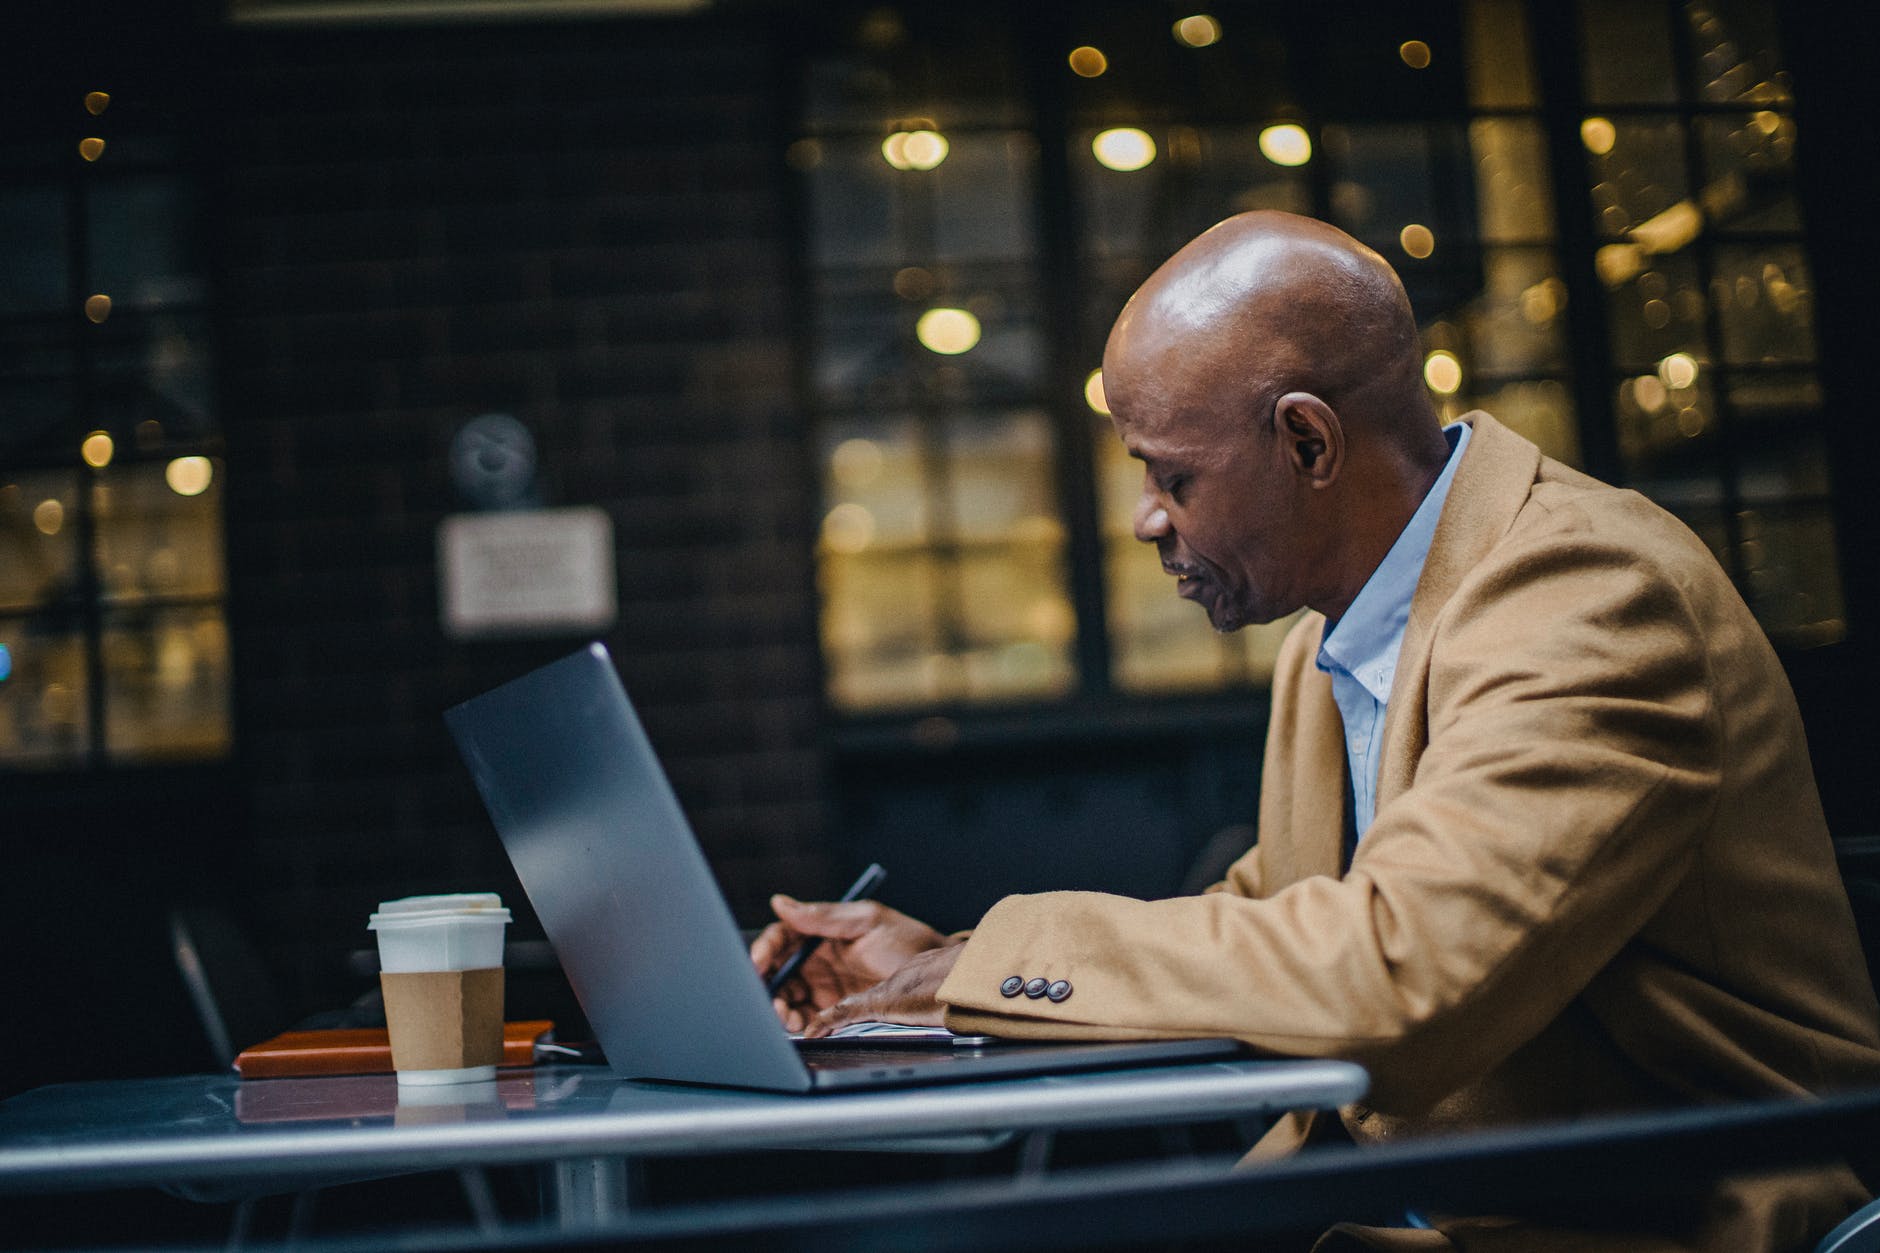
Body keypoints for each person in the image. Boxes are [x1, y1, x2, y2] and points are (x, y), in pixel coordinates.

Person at [750, 211, 1880, 1251]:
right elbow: (1273, 922)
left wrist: (987, 965)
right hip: (1390, 1209)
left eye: (1170, 473)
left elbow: (1396, 973)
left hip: (1654, 1220)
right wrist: (937, 963)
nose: (1145, 516)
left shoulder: (1586, 594)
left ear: (1306, 442)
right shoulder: (1331, 638)